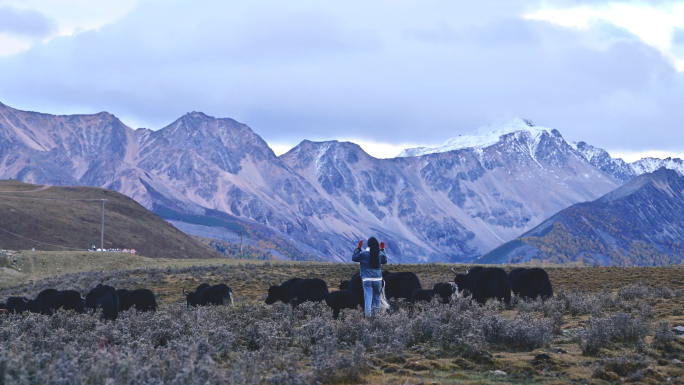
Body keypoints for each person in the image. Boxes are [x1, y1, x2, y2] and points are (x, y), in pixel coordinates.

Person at [352, 237, 387, 317]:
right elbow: (385, 260)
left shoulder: (364, 254)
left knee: (368, 300)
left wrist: (359, 248)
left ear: (368, 245)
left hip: (367, 280)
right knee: (377, 299)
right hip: (378, 279)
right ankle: (377, 318)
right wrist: (382, 249)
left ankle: (368, 318)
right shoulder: (380, 254)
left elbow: (354, 258)